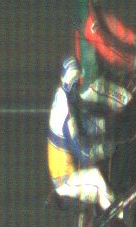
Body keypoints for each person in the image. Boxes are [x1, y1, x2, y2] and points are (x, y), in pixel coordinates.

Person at [47, 57, 114, 211]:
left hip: (69, 167)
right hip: (65, 181)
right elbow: (81, 152)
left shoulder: (64, 95)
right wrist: (101, 150)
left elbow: (83, 120)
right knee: (96, 179)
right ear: (70, 81)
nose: (78, 84)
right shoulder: (64, 111)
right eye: (76, 80)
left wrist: (105, 122)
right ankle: (118, 217)